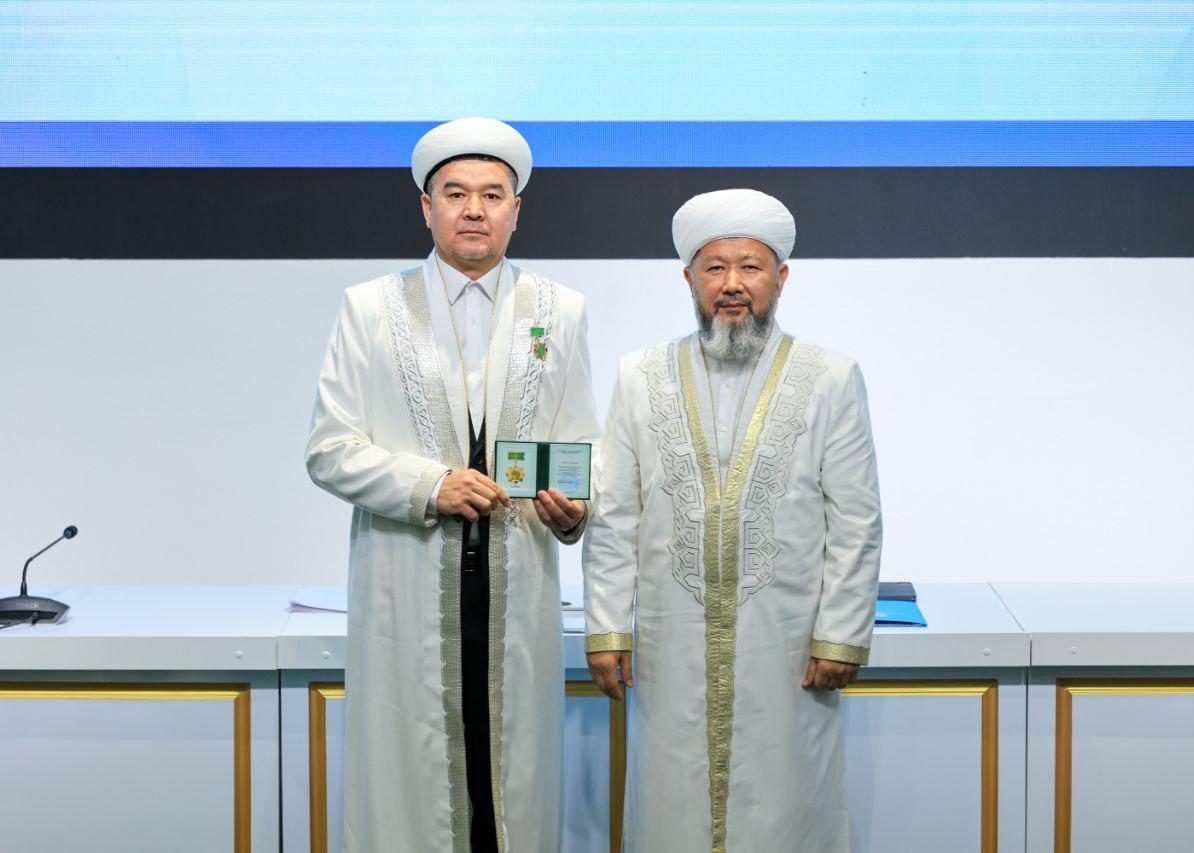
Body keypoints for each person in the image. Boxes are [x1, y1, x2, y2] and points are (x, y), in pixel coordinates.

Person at [306, 117, 598, 852]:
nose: (474, 210)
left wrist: (574, 512)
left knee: (510, 788)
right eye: (456, 193)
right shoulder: (370, 307)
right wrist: (430, 484)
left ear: (516, 211)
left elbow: (580, 443)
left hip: (516, 583)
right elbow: (329, 448)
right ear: (426, 207)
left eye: (492, 195)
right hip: (408, 585)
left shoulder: (560, 310)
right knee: (412, 786)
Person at [582, 188, 882, 852]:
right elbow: (616, 513)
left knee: (786, 805)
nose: (733, 285)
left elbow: (857, 518)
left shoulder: (831, 377)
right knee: (672, 802)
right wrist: (606, 625)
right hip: (670, 641)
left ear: (782, 277)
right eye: (715, 268)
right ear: (689, 278)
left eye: (751, 267)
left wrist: (840, 634)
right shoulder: (640, 376)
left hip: (787, 642)